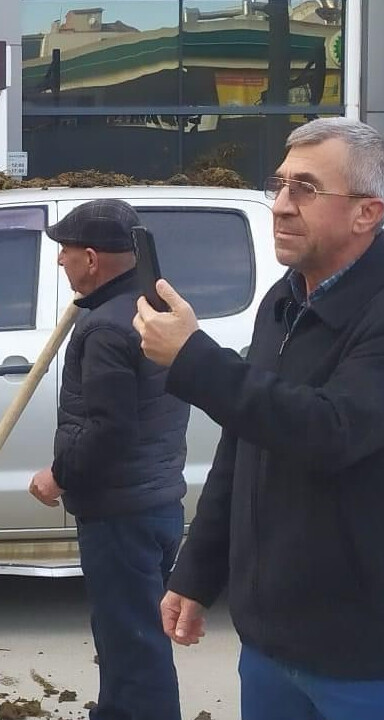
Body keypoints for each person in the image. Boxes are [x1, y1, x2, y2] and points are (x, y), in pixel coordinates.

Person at [134, 117, 384, 719]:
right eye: (279, 185)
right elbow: (244, 442)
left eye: (305, 189)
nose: (280, 206)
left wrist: (194, 359)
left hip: (362, 656)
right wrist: (197, 573)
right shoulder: (282, 301)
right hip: (270, 644)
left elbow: (331, 430)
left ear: (367, 213)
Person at [29, 199, 190, 720]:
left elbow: (110, 429)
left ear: (93, 259)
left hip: (122, 512)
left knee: (135, 642)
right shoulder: (153, 310)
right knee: (124, 635)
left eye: (66, 251)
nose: (60, 261)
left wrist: (57, 475)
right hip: (157, 503)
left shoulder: (106, 329)